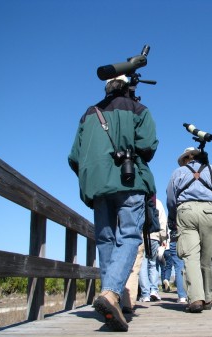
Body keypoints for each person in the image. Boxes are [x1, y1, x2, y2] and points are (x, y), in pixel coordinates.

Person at [68, 74, 158, 331]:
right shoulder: (139, 109)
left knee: (106, 239)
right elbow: (148, 146)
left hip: (98, 186)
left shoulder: (89, 113)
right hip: (129, 182)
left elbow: (74, 156)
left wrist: (93, 174)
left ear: (107, 87)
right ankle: (110, 293)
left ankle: (113, 299)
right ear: (129, 87)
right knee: (129, 236)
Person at [166, 147, 212, 313]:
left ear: (186, 158)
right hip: (209, 212)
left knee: (190, 256)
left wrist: (173, 219)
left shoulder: (178, 172)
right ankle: (208, 298)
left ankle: (195, 299)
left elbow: (171, 200)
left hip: (185, 212)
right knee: (207, 256)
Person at [138, 198, 167, 302]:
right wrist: (162, 238)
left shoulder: (139, 199)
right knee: (153, 263)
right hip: (154, 236)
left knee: (142, 265)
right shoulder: (157, 201)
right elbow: (163, 221)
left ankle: (145, 294)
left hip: (141, 236)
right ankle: (154, 290)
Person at [163, 221, 187, 303]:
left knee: (178, 266)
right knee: (191, 264)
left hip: (174, 235)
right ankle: (195, 295)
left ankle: (182, 296)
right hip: (188, 235)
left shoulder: (171, 208)